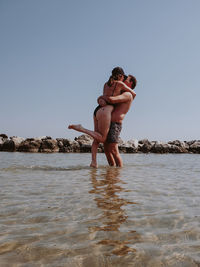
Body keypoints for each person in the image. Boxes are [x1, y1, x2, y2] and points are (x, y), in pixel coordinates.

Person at [68, 67, 136, 167]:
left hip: (115, 124)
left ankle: (118, 177)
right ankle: (110, 176)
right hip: (107, 119)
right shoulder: (119, 88)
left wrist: (101, 97)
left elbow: (112, 99)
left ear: (130, 84)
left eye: (127, 79)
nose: (125, 79)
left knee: (113, 149)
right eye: (124, 77)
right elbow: (109, 100)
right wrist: (101, 99)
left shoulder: (127, 94)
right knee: (107, 150)